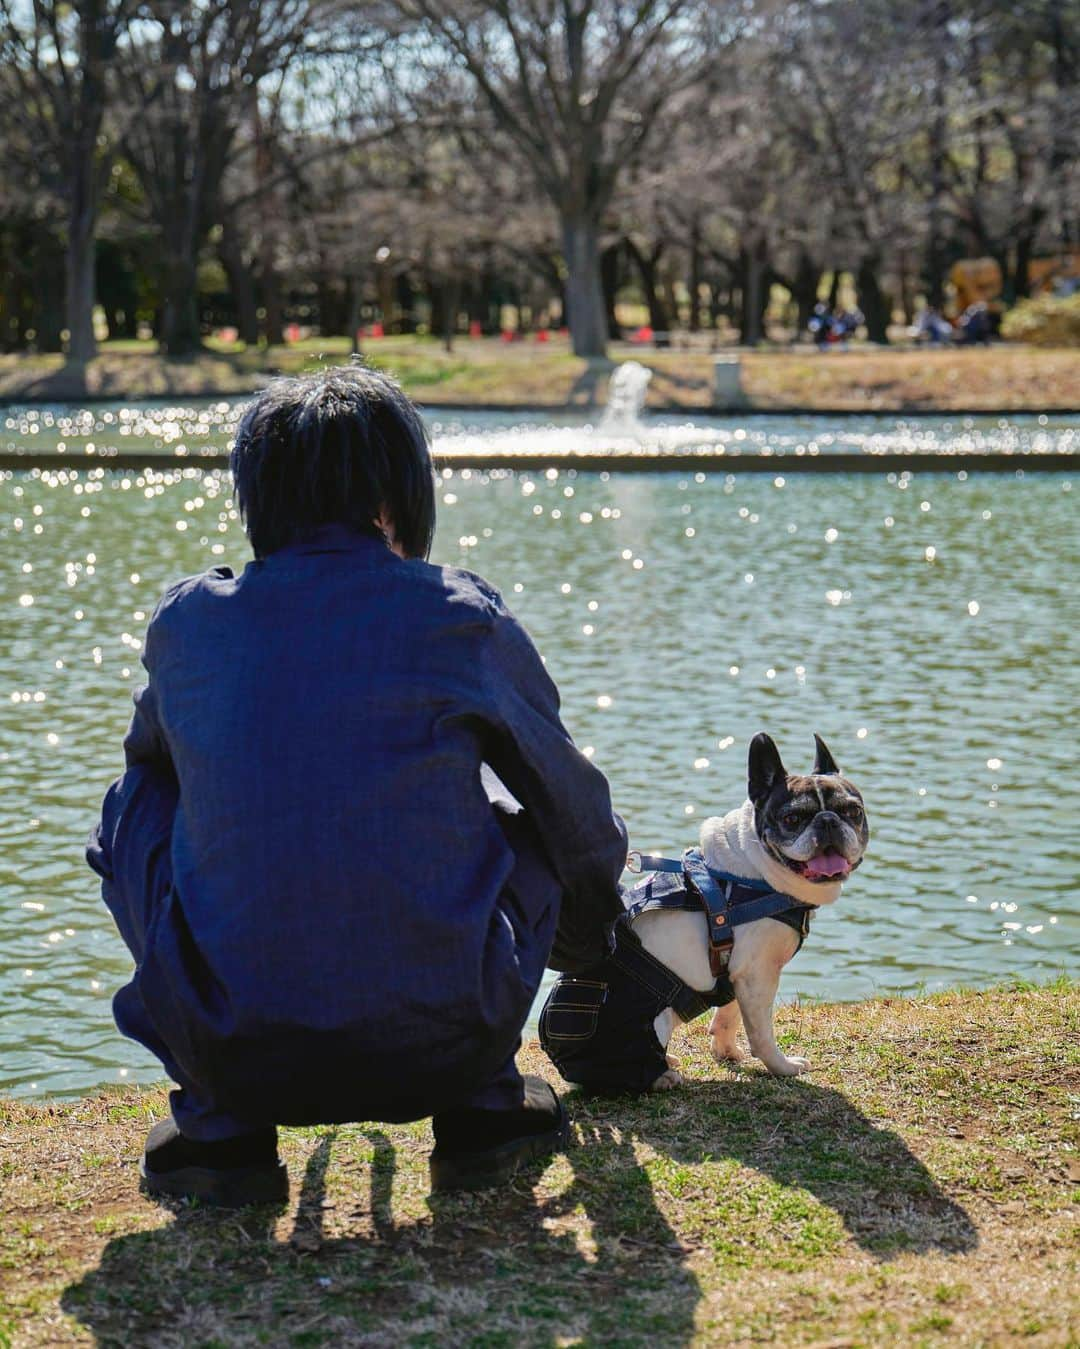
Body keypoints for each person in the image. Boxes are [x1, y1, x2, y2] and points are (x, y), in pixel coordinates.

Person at [86, 366, 628, 1205]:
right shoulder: (459, 613)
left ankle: (221, 1130)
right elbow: (580, 818)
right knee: (535, 816)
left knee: (137, 804)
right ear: (396, 496)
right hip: (449, 1039)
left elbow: (149, 792)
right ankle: (483, 1106)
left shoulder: (188, 621)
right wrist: (594, 948)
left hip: (236, 1046)